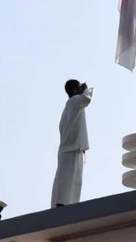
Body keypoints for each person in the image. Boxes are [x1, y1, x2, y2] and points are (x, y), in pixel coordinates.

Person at [50, 79, 93, 207]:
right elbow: (87, 99)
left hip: (73, 149)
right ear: (75, 90)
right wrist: (86, 89)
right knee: (66, 179)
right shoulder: (74, 102)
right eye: (79, 88)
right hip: (70, 149)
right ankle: (61, 203)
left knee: (74, 180)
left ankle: (68, 204)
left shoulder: (72, 106)